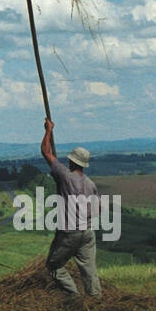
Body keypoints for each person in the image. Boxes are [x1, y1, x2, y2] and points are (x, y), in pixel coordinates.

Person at [39, 118, 101, 297]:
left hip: (69, 232)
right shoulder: (91, 184)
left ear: (72, 162)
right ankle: (96, 303)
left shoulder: (64, 175)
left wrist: (48, 130)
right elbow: (96, 209)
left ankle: (73, 297)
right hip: (88, 232)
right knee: (89, 271)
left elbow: (45, 151)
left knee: (53, 266)